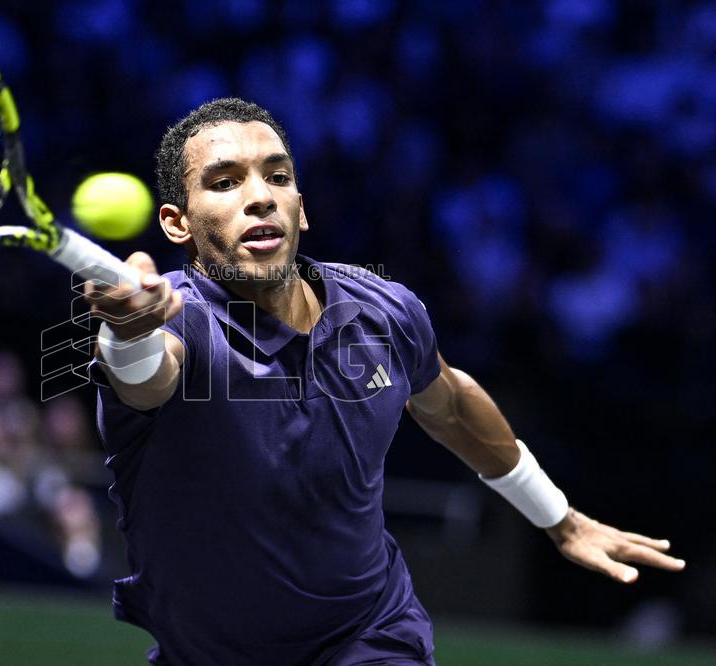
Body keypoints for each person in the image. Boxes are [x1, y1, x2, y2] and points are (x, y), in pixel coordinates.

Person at [85, 98, 684, 666]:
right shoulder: (180, 322)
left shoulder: (383, 310)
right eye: (224, 182)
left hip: (368, 635)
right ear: (176, 222)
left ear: (302, 206)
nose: (259, 197)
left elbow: (448, 405)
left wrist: (559, 516)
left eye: (278, 176)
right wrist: (127, 333)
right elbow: (145, 379)